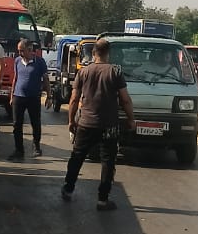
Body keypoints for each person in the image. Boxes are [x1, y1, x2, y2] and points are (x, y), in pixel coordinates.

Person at [62, 37, 136, 210]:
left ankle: (68, 188)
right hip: (109, 126)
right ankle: (102, 199)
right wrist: (131, 119)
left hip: (86, 123)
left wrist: (71, 120)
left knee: (77, 157)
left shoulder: (84, 72)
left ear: (93, 53)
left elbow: (73, 99)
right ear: (108, 54)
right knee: (108, 162)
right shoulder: (115, 72)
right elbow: (125, 100)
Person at [8, 39, 48, 160]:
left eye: (22, 51)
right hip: (18, 97)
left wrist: (49, 96)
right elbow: (15, 78)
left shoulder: (39, 62)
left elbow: (45, 79)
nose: (19, 53)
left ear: (30, 50)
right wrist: (12, 95)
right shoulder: (17, 61)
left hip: (33, 98)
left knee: (35, 123)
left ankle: (36, 146)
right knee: (16, 125)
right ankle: (19, 150)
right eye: (18, 51)